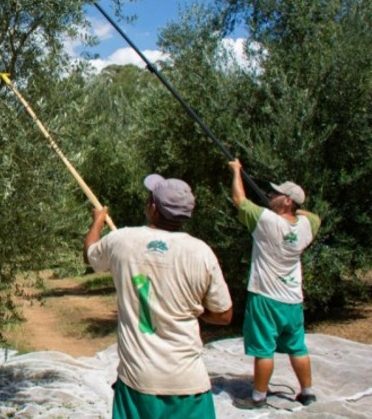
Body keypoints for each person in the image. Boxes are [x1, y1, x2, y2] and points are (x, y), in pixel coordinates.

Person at [84, 174, 233, 419]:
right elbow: (224, 315)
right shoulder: (201, 252)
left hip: (138, 383)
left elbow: (90, 254)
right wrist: (196, 309)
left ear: (153, 208)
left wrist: (98, 222)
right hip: (188, 383)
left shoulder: (122, 240)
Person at [229, 159, 322, 409]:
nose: (271, 195)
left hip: (265, 297)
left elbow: (240, 201)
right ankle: (308, 393)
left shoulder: (268, 222)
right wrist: (294, 211)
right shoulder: (305, 227)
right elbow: (315, 218)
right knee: (297, 347)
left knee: (263, 350)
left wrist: (236, 171)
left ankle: (258, 397)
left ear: (288, 200)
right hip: (292, 299)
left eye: (277, 194)